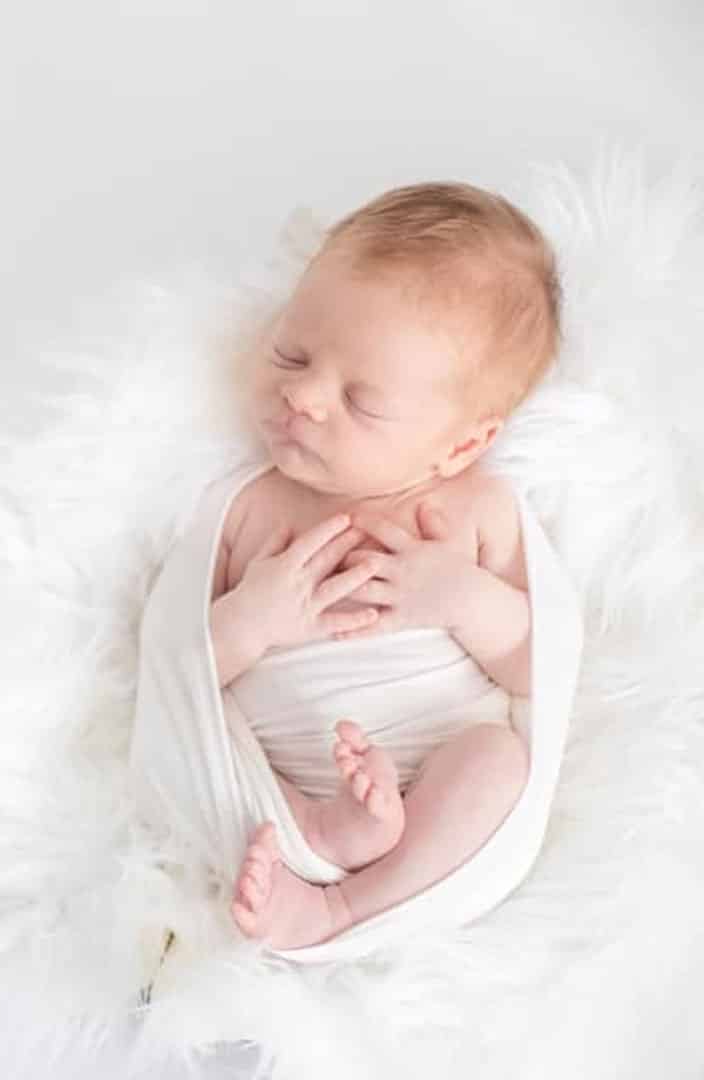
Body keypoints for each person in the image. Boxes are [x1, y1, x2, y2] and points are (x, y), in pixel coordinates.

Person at [208, 180, 562, 949]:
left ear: (463, 444)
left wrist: (465, 599)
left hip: (431, 760)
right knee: (213, 748)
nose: (302, 396)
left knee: (497, 764)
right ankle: (321, 837)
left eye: (363, 402)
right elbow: (182, 671)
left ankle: (343, 906)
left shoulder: (475, 512)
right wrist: (250, 621)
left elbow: (542, 666)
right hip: (281, 777)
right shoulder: (248, 507)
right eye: (290, 353)